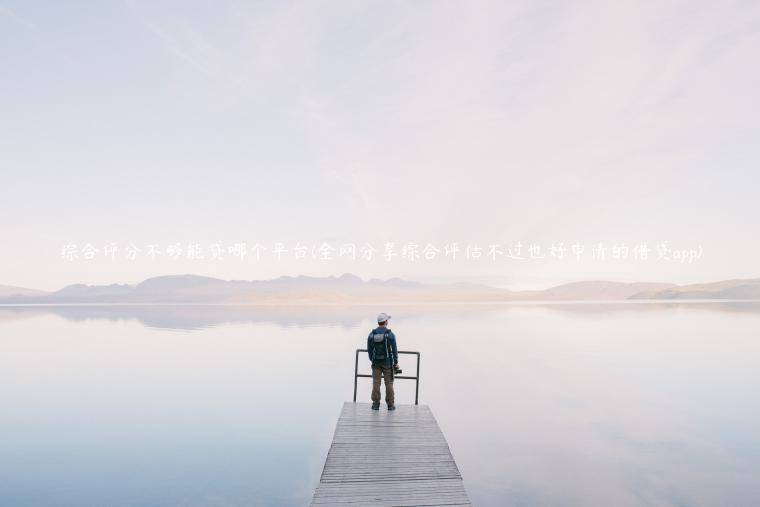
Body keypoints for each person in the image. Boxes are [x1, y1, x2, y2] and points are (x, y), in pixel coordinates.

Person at [367, 312, 399, 410]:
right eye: (387, 320)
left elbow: (369, 350)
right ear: (385, 321)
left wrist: (372, 359)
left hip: (376, 362)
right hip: (387, 362)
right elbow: (394, 350)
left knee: (376, 383)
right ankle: (390, 405)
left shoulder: (372, 334)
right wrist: (395, 362)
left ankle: (376, 404)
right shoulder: (390, 334)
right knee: (388, 383)